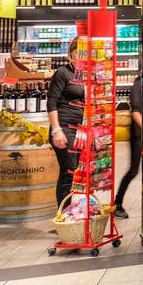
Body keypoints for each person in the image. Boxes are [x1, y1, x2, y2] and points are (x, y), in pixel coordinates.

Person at [46, 39, 85, 209]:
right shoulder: (62, 73)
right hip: (63, 128)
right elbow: (51, 102)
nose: (81, 56)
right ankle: (63, 214)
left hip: (78, 129)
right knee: (68, 172)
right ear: (71, 55)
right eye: (78, 53)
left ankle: (72, 211)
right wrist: (56, 130)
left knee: (75, 172)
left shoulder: (82, 75)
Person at [113, 73, 143, 219]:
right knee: (133, 170)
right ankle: (117, 204)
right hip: (139, 134)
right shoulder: (139, 84)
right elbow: (136, 111)